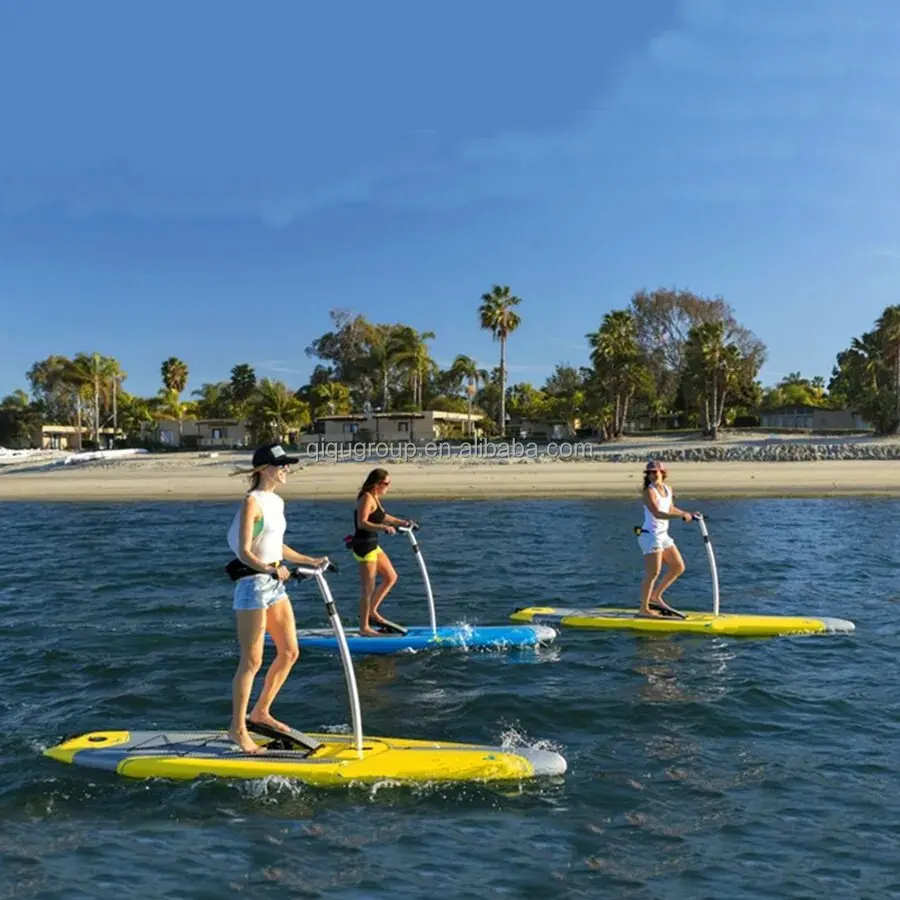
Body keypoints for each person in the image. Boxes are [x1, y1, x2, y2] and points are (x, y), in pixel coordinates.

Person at [225, 442, 326, 753]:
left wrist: (308, 560)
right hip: (253, 587)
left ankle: (261, 712)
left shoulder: (277, 502)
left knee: (290, 652)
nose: (286, 469)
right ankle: (237, 729)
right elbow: (244, 550)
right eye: (281, 464)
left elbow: (276, 545)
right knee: (252, 660)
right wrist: (269, 569)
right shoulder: (251, 503)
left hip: (274, 585)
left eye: (286, 464)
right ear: (262, 469)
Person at [349, 468, 415, 636]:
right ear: (375, 484)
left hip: (373, 545)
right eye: (385, 484)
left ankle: (372, 612)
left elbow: (384, 516)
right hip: (364, 547)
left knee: (391, 576)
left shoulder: (375, 498)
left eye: (389, 483)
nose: (388, 487)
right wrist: (384, 528)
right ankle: (364, 628)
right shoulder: (366, 498)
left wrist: (403, 522)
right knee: (368, 589)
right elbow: (362, 523)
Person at [636, 460, 700, 618]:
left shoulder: (667, 489)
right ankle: (644, 609)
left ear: (662, 473)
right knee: (653, 573)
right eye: (649, 473)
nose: (651, 475)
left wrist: (688, 514)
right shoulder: (648, 492)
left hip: (663, 535)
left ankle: (655, 597)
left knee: (678, 566)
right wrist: (681, 517)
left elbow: (670, 509)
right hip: (650, 536)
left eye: (654, 472)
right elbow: (657, 513)